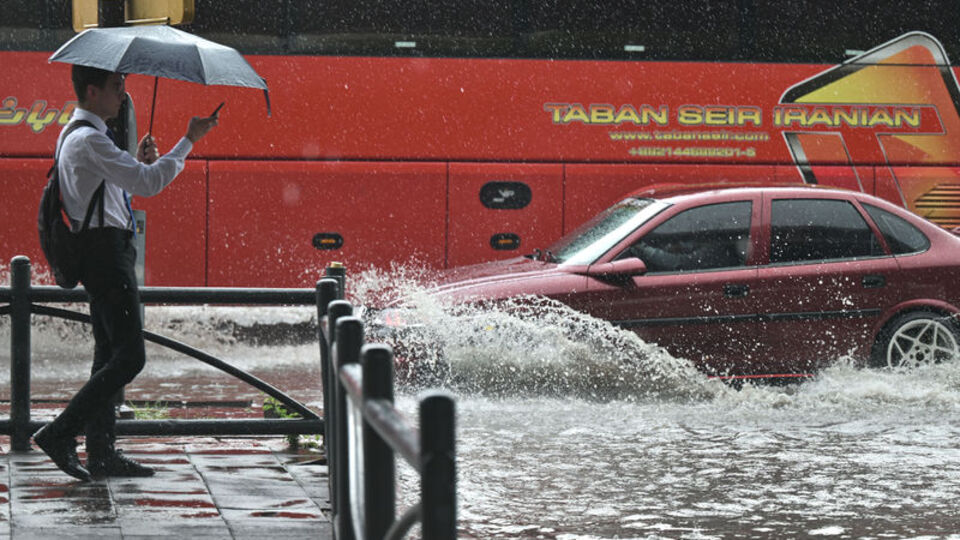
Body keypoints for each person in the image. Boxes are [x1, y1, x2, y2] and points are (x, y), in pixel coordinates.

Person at [32, 65, 218, 481]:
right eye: (117, 87)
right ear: (92, 91)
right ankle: (60, 433)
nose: (123, 95)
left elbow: (115, 190)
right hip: (105, 255)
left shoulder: (78, 135)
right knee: (131, 357)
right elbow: (149, 185)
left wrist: (135, 164)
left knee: (107, 353)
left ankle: (101, 452)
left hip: (102, 250)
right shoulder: (91, 139)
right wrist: (189, 139)